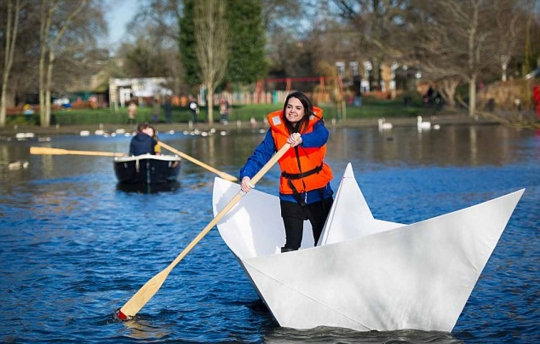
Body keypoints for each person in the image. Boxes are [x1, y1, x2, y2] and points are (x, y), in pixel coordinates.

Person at [239, 91, 334, 253]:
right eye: (289, 107)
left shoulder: (316, 126)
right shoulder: (276, 132)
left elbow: (322, 136)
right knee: (291, 245)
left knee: (323, 242)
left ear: (305, 110)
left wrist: (302, 139)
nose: (292, 111)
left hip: (318, 192)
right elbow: (260, 155)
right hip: (290, 193)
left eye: (298, 108)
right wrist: (246, 175)